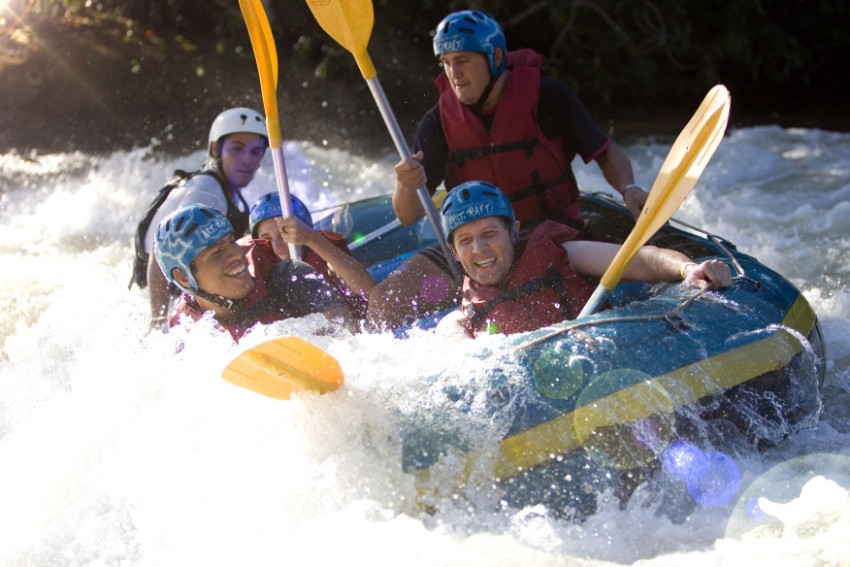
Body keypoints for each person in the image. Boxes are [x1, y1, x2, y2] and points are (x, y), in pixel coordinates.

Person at [368, 10, 649, 330]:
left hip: (551, 235)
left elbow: (605, 152)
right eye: (446, 63)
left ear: (495, 57)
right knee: (384, 302)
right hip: (476, 248)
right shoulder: (437, 122)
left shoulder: (548, 96)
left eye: (463, 60)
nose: (453, 73)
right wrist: (406, 185)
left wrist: (628, 188)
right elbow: (406, 215)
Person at [433, 181, 732, 339]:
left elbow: (640, 260)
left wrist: (688, 269)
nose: (480, 249)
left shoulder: (563, 254)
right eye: (466, 241)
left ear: (514, 232)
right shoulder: (460, 321)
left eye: (489, 233)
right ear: (455, 251)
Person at [131, 107, 269, 327]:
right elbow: (161, 249)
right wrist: (158, 321)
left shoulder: (223, 189)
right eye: (237, 149)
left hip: (185, 290)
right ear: (216, 148)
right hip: (170, 296)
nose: (247, 160)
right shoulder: (206, 192)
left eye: (255, 151)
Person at [153, 204, 354, 342]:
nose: (236, 254)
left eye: (231, 241)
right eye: (217, 252)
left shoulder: (289, 277)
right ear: (183, 278)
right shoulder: (185, 327)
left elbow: (344, 327)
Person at [248, 192, 375, 321]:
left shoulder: (324, 253)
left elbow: (370, 291)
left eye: (284, 234)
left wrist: (311, 238)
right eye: (267, 239)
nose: (277, 245)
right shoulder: (260, 272)